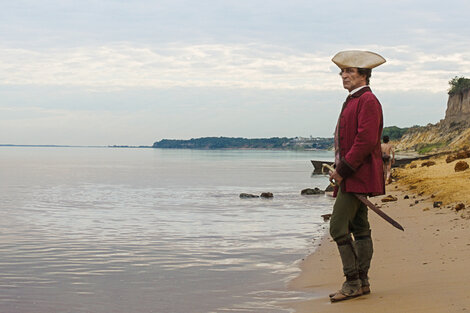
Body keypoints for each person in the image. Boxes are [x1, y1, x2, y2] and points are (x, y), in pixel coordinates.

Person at [327, 50, 386, 302]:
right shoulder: (352, 100)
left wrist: (341, 171)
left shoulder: (368, 100)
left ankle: (352, 283)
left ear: (364, 75)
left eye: (349, 71)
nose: (343, 75)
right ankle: (362, 282)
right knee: (360, 227)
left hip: (356, 175)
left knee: (338, 228)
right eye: (342, 71)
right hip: (352, 174)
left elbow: (365, 141)